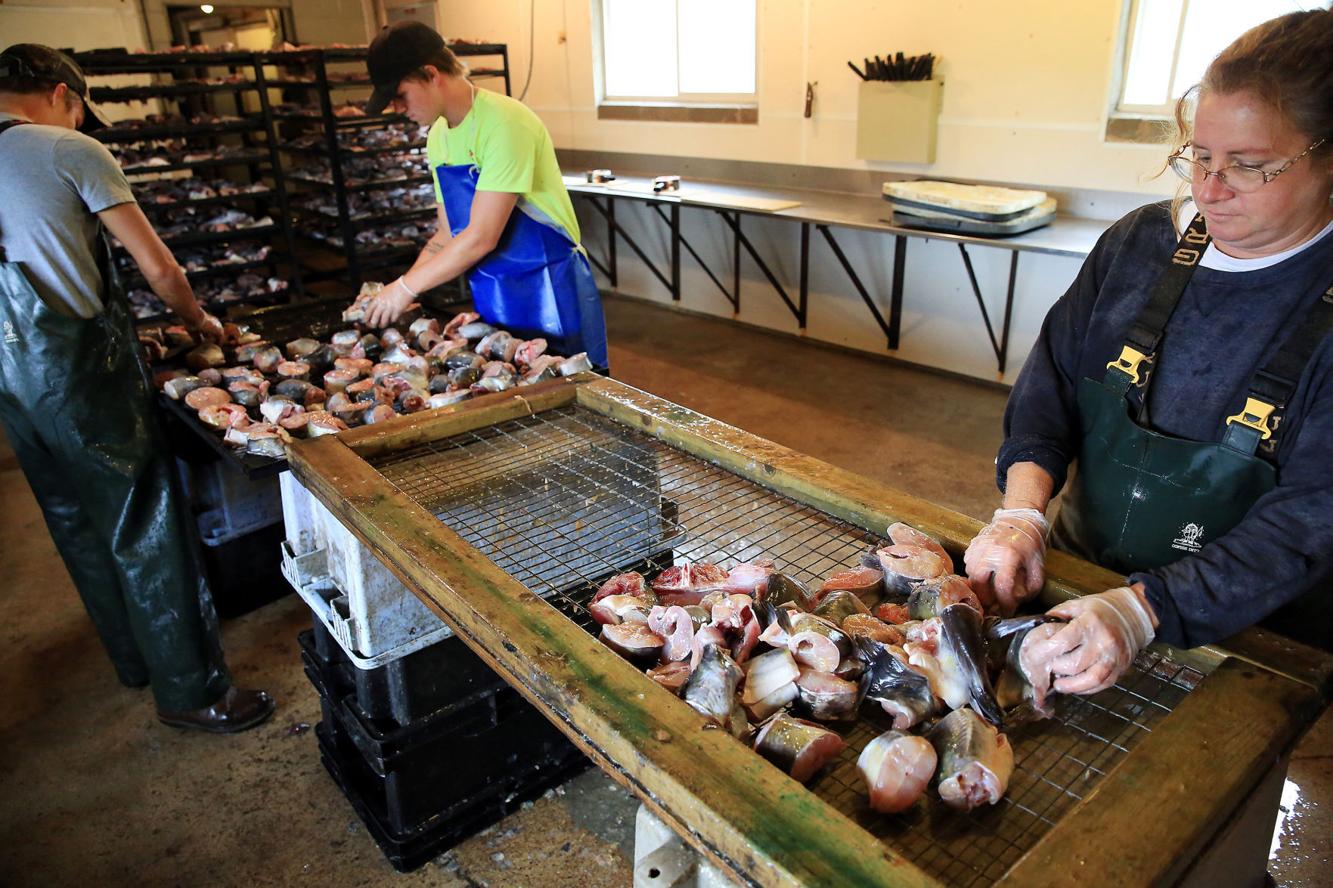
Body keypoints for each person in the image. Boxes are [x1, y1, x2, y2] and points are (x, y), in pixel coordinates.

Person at [964, 10, 1333, 693]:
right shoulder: (1140, 243)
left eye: (1248, 167)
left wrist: (1142, 612)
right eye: (1197, 156)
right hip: (1081, 576)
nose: (1207, 190)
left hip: (1246, 626)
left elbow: (1313, 516)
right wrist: (1019, 516)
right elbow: (1049, 388)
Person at [0, 44, 274, 732]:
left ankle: (133, 659)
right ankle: (193, 692)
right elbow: (160, 269)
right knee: (145, 521)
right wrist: (200, 321)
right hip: (77, 374)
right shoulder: (68, 149)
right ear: (63, 92)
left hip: (10, 377)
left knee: (72, 519)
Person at [355, 20, 608, 368]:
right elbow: (447, 236)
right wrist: (404, 294)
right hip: (494, 293)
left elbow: (481, 236)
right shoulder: (438, 136)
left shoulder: (505, 123)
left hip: (549, 288)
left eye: (400, 95)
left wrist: (405, 287)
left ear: (431, 74)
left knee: (568, 387)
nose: (397, 109)